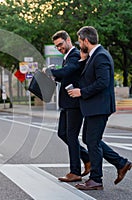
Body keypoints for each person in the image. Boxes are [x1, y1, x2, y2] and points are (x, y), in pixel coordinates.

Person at [68, 26, 131, 190]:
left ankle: (96, 179)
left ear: (86, 41)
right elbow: (89, 76)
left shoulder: (101, 56)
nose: (79, 44)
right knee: (90, 140)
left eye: (80, 41)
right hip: (93, 107)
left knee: (93, 142)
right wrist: (82, 61)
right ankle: (121, 163)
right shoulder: (92, 56)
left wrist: (81, 92)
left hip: (99, 107)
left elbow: (102, 82)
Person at [44, 30, 90, 182]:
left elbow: (68, 71)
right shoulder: (67, 57)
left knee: (70, 135)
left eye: (60, 44)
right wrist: (52, 76)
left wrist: (51, 71)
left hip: (75, 104)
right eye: (56, 46)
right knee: (62, 133)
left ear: (68, 40)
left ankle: (75, 172)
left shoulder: (75, 55)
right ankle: (87, 158)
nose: (59, 48)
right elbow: (66, 75)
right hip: (67, 103)